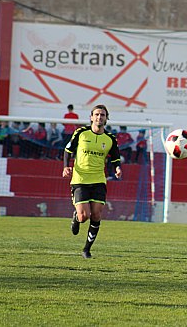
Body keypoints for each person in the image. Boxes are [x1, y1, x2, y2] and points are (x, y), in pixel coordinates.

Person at [63, 104, 122, 259]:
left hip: (98, 180)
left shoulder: (110, 139)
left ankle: (86, 249)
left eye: (102, 115)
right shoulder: (81, 133)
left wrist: (117, 168)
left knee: (96, 214)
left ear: (106, 119)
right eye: (96, 114)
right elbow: (68, 150)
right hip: (80, 179)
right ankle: (76, 216)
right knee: (84, 217)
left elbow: (115, 158)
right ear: (91, 117)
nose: (99, 117)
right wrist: (65, 167)